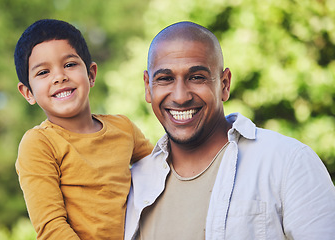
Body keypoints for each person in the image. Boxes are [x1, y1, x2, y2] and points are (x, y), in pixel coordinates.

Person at [125, 21, 335, 240]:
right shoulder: (134, 182)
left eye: (197, 77)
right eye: (165, 79)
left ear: (224, 84)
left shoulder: (287, 162)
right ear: (148, 87)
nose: (180, 96)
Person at [14, 19, 153, 240]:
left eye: (69, 65)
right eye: (43, 72)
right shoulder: (39, 144)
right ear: (27, 92)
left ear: (91, 74)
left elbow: (162, 173)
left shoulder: (123, 128)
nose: (59, 77)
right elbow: (51, 227)